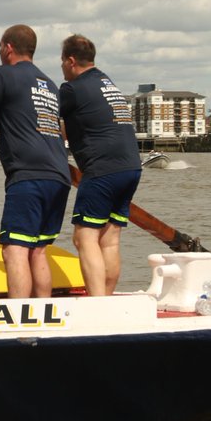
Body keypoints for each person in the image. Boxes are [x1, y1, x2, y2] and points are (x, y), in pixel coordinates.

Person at [0, 24, 71, 298]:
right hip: (59, 175)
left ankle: (19, 318)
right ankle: (44, 314)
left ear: (8, 47)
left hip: (28, 175)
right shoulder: (49, 84)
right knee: (38, 250)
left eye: (0, 47)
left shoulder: (3, 74)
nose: (0, 52)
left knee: (14, 249)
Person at [58, 34, 142, 296]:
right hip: (130, 167)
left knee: (84, 237)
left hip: (102, 169)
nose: (61, 67)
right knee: (109, 239)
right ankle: (106, 300)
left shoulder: (72, 89)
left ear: (71, 61)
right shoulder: (106, 82)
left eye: (62, 62)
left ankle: (97, 305)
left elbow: (45, 118)